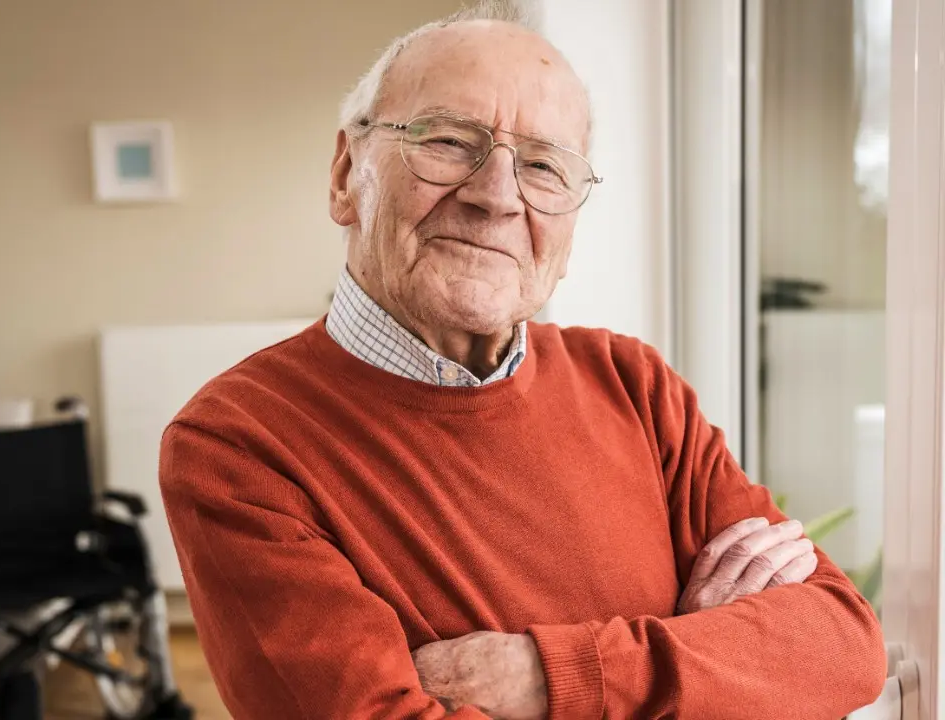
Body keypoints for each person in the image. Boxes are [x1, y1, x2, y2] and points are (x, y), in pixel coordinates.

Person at [157, 2, 888, 718]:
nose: (496, 196)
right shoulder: (236, 445)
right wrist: (697, 664)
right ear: (346, 175)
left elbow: (842, 646)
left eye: (544, 166)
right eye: (446, 141)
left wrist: (548, 676)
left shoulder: (634, 386)